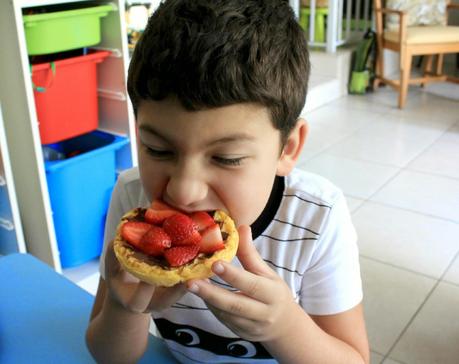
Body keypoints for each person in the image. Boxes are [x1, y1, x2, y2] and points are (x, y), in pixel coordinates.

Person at [86, 0, 370, 363]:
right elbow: (109, 355)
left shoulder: (317, 217)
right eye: (157, 149)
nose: (183, 191)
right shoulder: (131, 196)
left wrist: (286, 328)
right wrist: (124, 309)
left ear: (288, 148)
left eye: (226, 158)